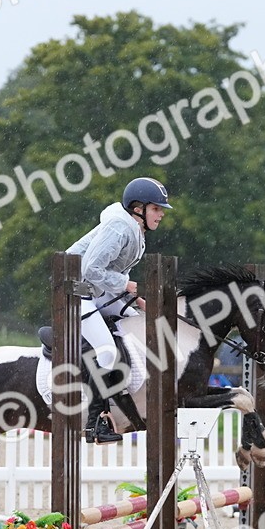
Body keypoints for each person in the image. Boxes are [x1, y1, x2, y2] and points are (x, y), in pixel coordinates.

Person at [67, 177, 172, 443]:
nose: (161, 214)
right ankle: (94, 424)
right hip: (74, 290)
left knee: (139, 326)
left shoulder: (135, 229)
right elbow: (91, 270)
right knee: (107, 350)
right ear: (138, 208)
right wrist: (129, 285)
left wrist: (134, 299)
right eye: (156, 209)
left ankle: (124, 397)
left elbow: (107, 274)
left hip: (94, 290)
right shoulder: (119, 227)